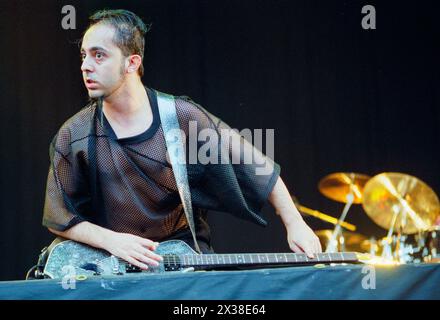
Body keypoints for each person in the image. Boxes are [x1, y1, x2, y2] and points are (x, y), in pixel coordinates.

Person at [42, 9, 321, 271]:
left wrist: (295, 223)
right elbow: (60, 217)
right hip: (114, 265)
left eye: (98, 55)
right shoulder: (74, 133)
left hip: (180, 261)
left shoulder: (181, 118)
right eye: (83, 56)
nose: (85, 66)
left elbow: (258, 167)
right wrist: (112, 241)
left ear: (132, 63)